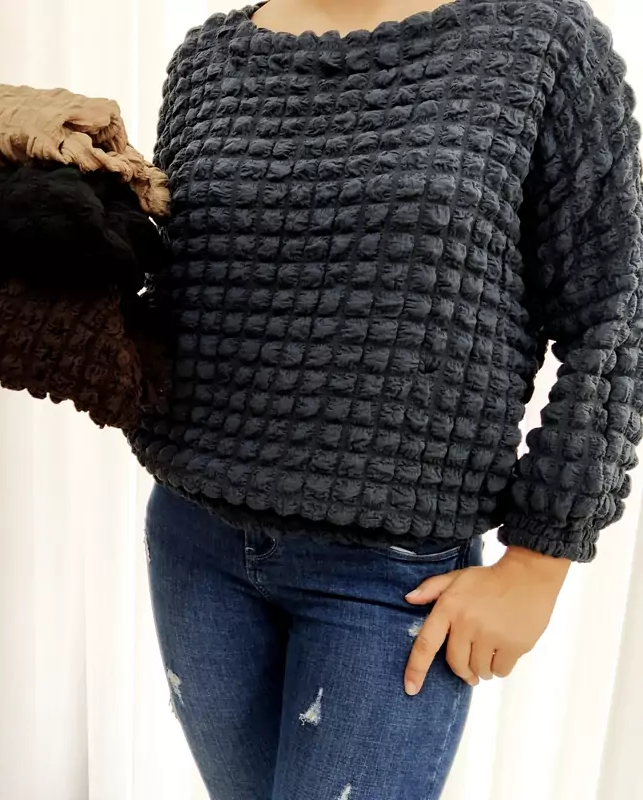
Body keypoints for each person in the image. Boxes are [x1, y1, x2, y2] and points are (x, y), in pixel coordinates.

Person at [126, 0, 643, 797]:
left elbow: (618, 311)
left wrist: (539, 562)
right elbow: (182, 294)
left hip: (391, 578)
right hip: (195, 542)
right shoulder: (206, 62)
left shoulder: (540, 43)